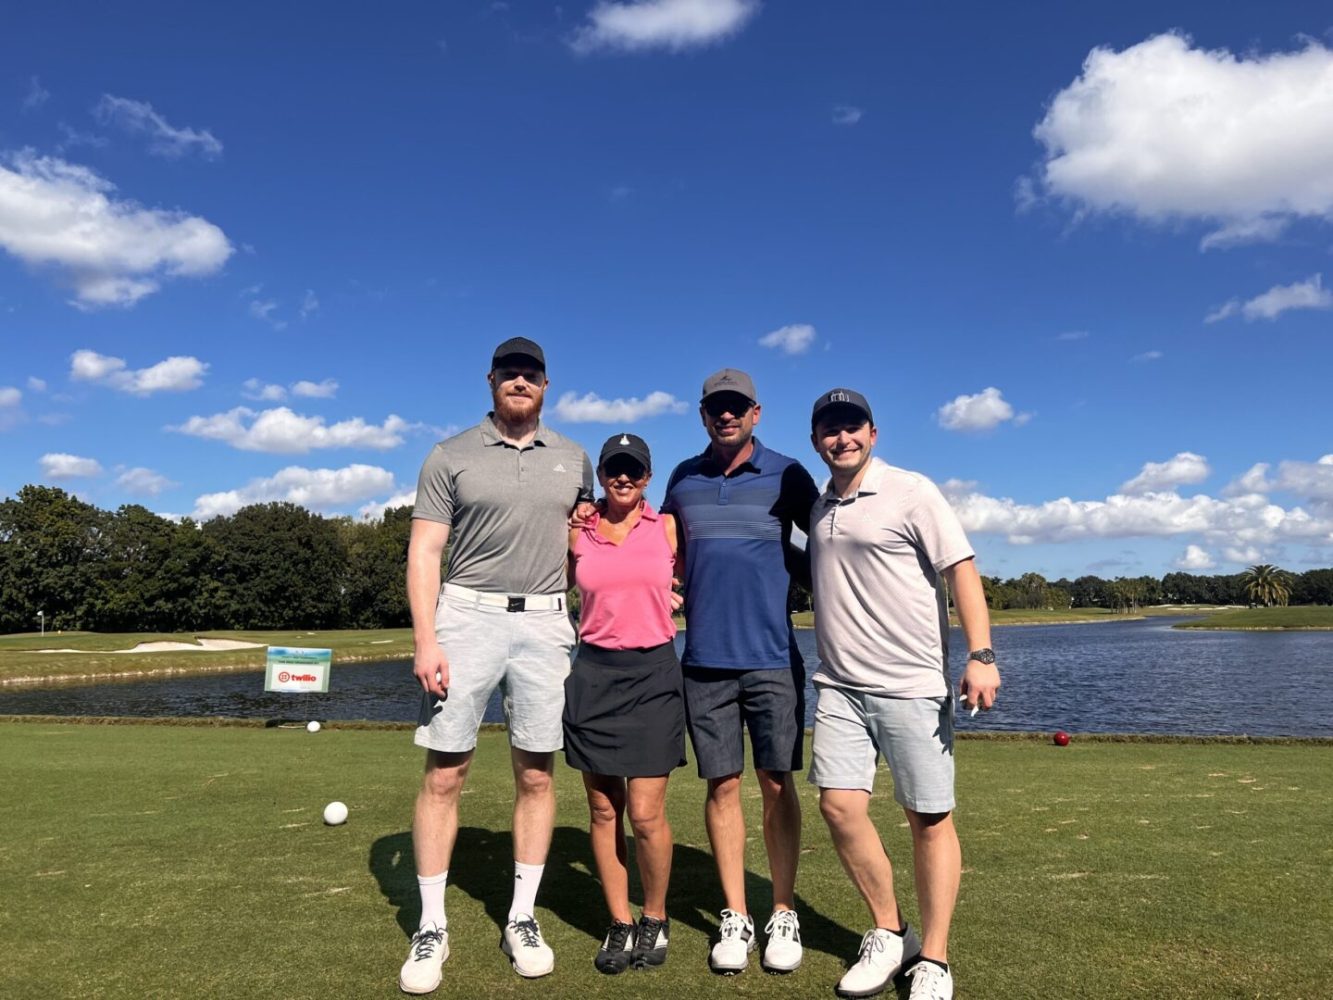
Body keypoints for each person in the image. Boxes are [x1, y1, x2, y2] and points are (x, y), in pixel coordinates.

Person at [397, 337, 594, 995]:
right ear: (490, 381)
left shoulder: (573, 459)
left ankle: (520, 916)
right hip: (465, 616)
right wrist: (427, 639)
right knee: (445, 771)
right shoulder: (449, 454)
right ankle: (431, 925)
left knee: (536, 772)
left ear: (545, 384)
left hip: (544, 620)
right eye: (509, 372)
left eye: (530, 373)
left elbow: (584, 547)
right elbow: (425, 552)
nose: (519, 381)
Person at [805, 388, 1001, 1000]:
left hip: (911, 685)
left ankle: (934, 960)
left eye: (853, 426)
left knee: (929, 819)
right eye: (831, 430)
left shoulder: (912, 491)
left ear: (873, 431)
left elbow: (960, 568)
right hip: (838, 685)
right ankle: (891, 931)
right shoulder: (819, 507)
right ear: (817, 440)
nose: (843, 438)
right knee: (838, 807)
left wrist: (981, 654)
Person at [661, 368, 820, 975]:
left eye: (736, 407)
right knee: (721, 786)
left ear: (756, 412)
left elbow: (828, 541)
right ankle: (735, 914)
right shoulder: (683, 478)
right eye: (715, 408)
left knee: (777, 783)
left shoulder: (788, 474)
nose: (726, 416)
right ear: (704, 415)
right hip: (703, 662)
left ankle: (782, 910)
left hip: (773, 658)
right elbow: (664, 549)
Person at [564, 432, 686, 974]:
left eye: (633, 469)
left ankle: (654, 916)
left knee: (645, 811)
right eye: (614, 468)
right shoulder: (578, 531)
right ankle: (619, 922)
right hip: (594, 673)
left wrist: (676, 592)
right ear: (602, 474)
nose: (623, 477)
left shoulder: (667, 527)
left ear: (647, 476)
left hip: (653, 674)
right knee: (602, 807)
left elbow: (694, 578)